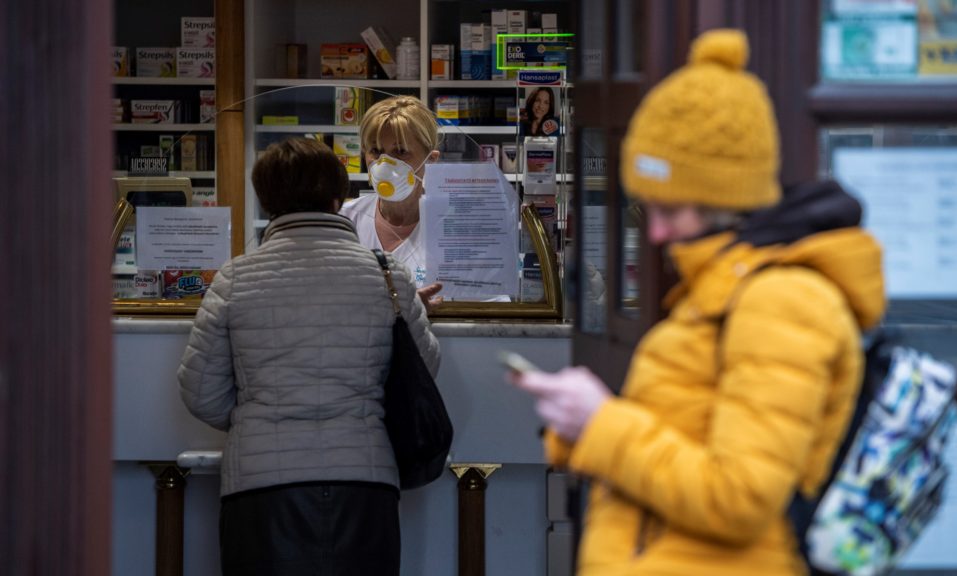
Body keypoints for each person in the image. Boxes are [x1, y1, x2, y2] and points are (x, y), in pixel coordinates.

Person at [509, 29, 886, 576]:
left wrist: (601, 422)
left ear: (724, 202)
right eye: (649, 207)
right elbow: (686, 433)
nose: (656, 233)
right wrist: (583, 426)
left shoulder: (783, 302)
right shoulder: (723, 291)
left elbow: (739, 497)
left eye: (672, 211)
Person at [178, 137, 440, 576]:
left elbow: (200, 391)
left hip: (261, 486)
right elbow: (424, 370)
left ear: (266, 199)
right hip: (364, 481)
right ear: (337, 198)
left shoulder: (235, 277)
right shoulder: (386, 276)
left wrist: (260, 416)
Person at [341, 95, 444, 311]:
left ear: (431, 160)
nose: (385, 164)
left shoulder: (455, 226)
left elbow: (489, 308)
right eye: (376, 151)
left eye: (401, 151)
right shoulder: (346, 220)